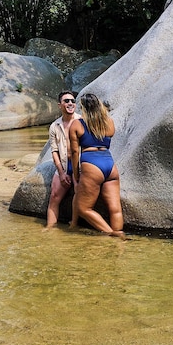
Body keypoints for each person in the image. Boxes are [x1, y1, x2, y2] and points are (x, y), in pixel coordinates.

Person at [69, 93, 124, 236]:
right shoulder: (109, 122)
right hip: (109, 164)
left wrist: (76, 174)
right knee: (115, 208)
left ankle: (111, 233)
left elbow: (75, 152)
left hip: (92, 165)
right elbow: (107, 136)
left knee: (83, 208)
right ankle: (119, 233)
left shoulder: (77, 124)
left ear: (83, 108)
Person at [45, 91, 79, 227]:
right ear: (60, 105)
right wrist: (61, 172)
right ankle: (50, 228)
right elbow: (54, 151)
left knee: (80, 194)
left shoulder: (82, 121)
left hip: (80, 164)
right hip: (64, 164)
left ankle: (74, 225)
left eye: (72, 101)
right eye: (66, 101)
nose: (70, 103)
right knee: (54, 196)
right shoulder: (54, 126)